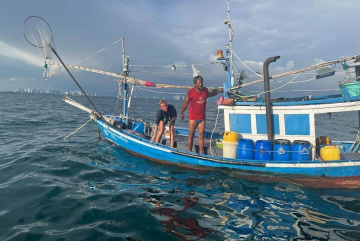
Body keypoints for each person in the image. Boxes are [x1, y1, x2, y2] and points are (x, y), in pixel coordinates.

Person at [179, 75, 223, 154]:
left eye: (201, 82)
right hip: (193, 117)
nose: (201, 84)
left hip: (202, 117)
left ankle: (201, 152)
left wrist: (219, 90)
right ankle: (189, 151)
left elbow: (211, 94)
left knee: (201, 135)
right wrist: (181, 112)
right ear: (195, 83)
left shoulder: (205, 90)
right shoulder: (190, 92)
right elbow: (186, 103)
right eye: (199, 83)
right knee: (191, 134)